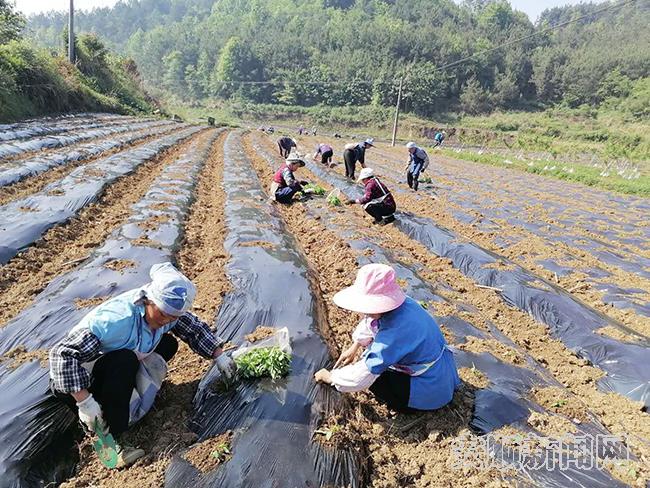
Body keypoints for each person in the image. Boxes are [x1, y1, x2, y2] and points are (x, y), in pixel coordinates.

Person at [49, 263, 237, 468]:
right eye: (164, 314)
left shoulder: (167, 313)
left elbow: (193, 329)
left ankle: (130, 395)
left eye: (173, 317)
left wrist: (219, 356)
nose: (167, 321)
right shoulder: (114, 321)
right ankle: (113, 437)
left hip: (115, 364)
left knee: (167, 344)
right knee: (124, 360)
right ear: (148, 300)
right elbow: (62, 354)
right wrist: (84, 401)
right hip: (78, 379)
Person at [314, 263, 460, 413]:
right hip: (441, 372)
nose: (364, 311)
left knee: (377, 381)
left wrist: (332, 378)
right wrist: (355, 346)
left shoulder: (395, 332)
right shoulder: (403, 305)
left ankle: (407, 407)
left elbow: (366, 373)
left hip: (431, 389)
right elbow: (371, 323)